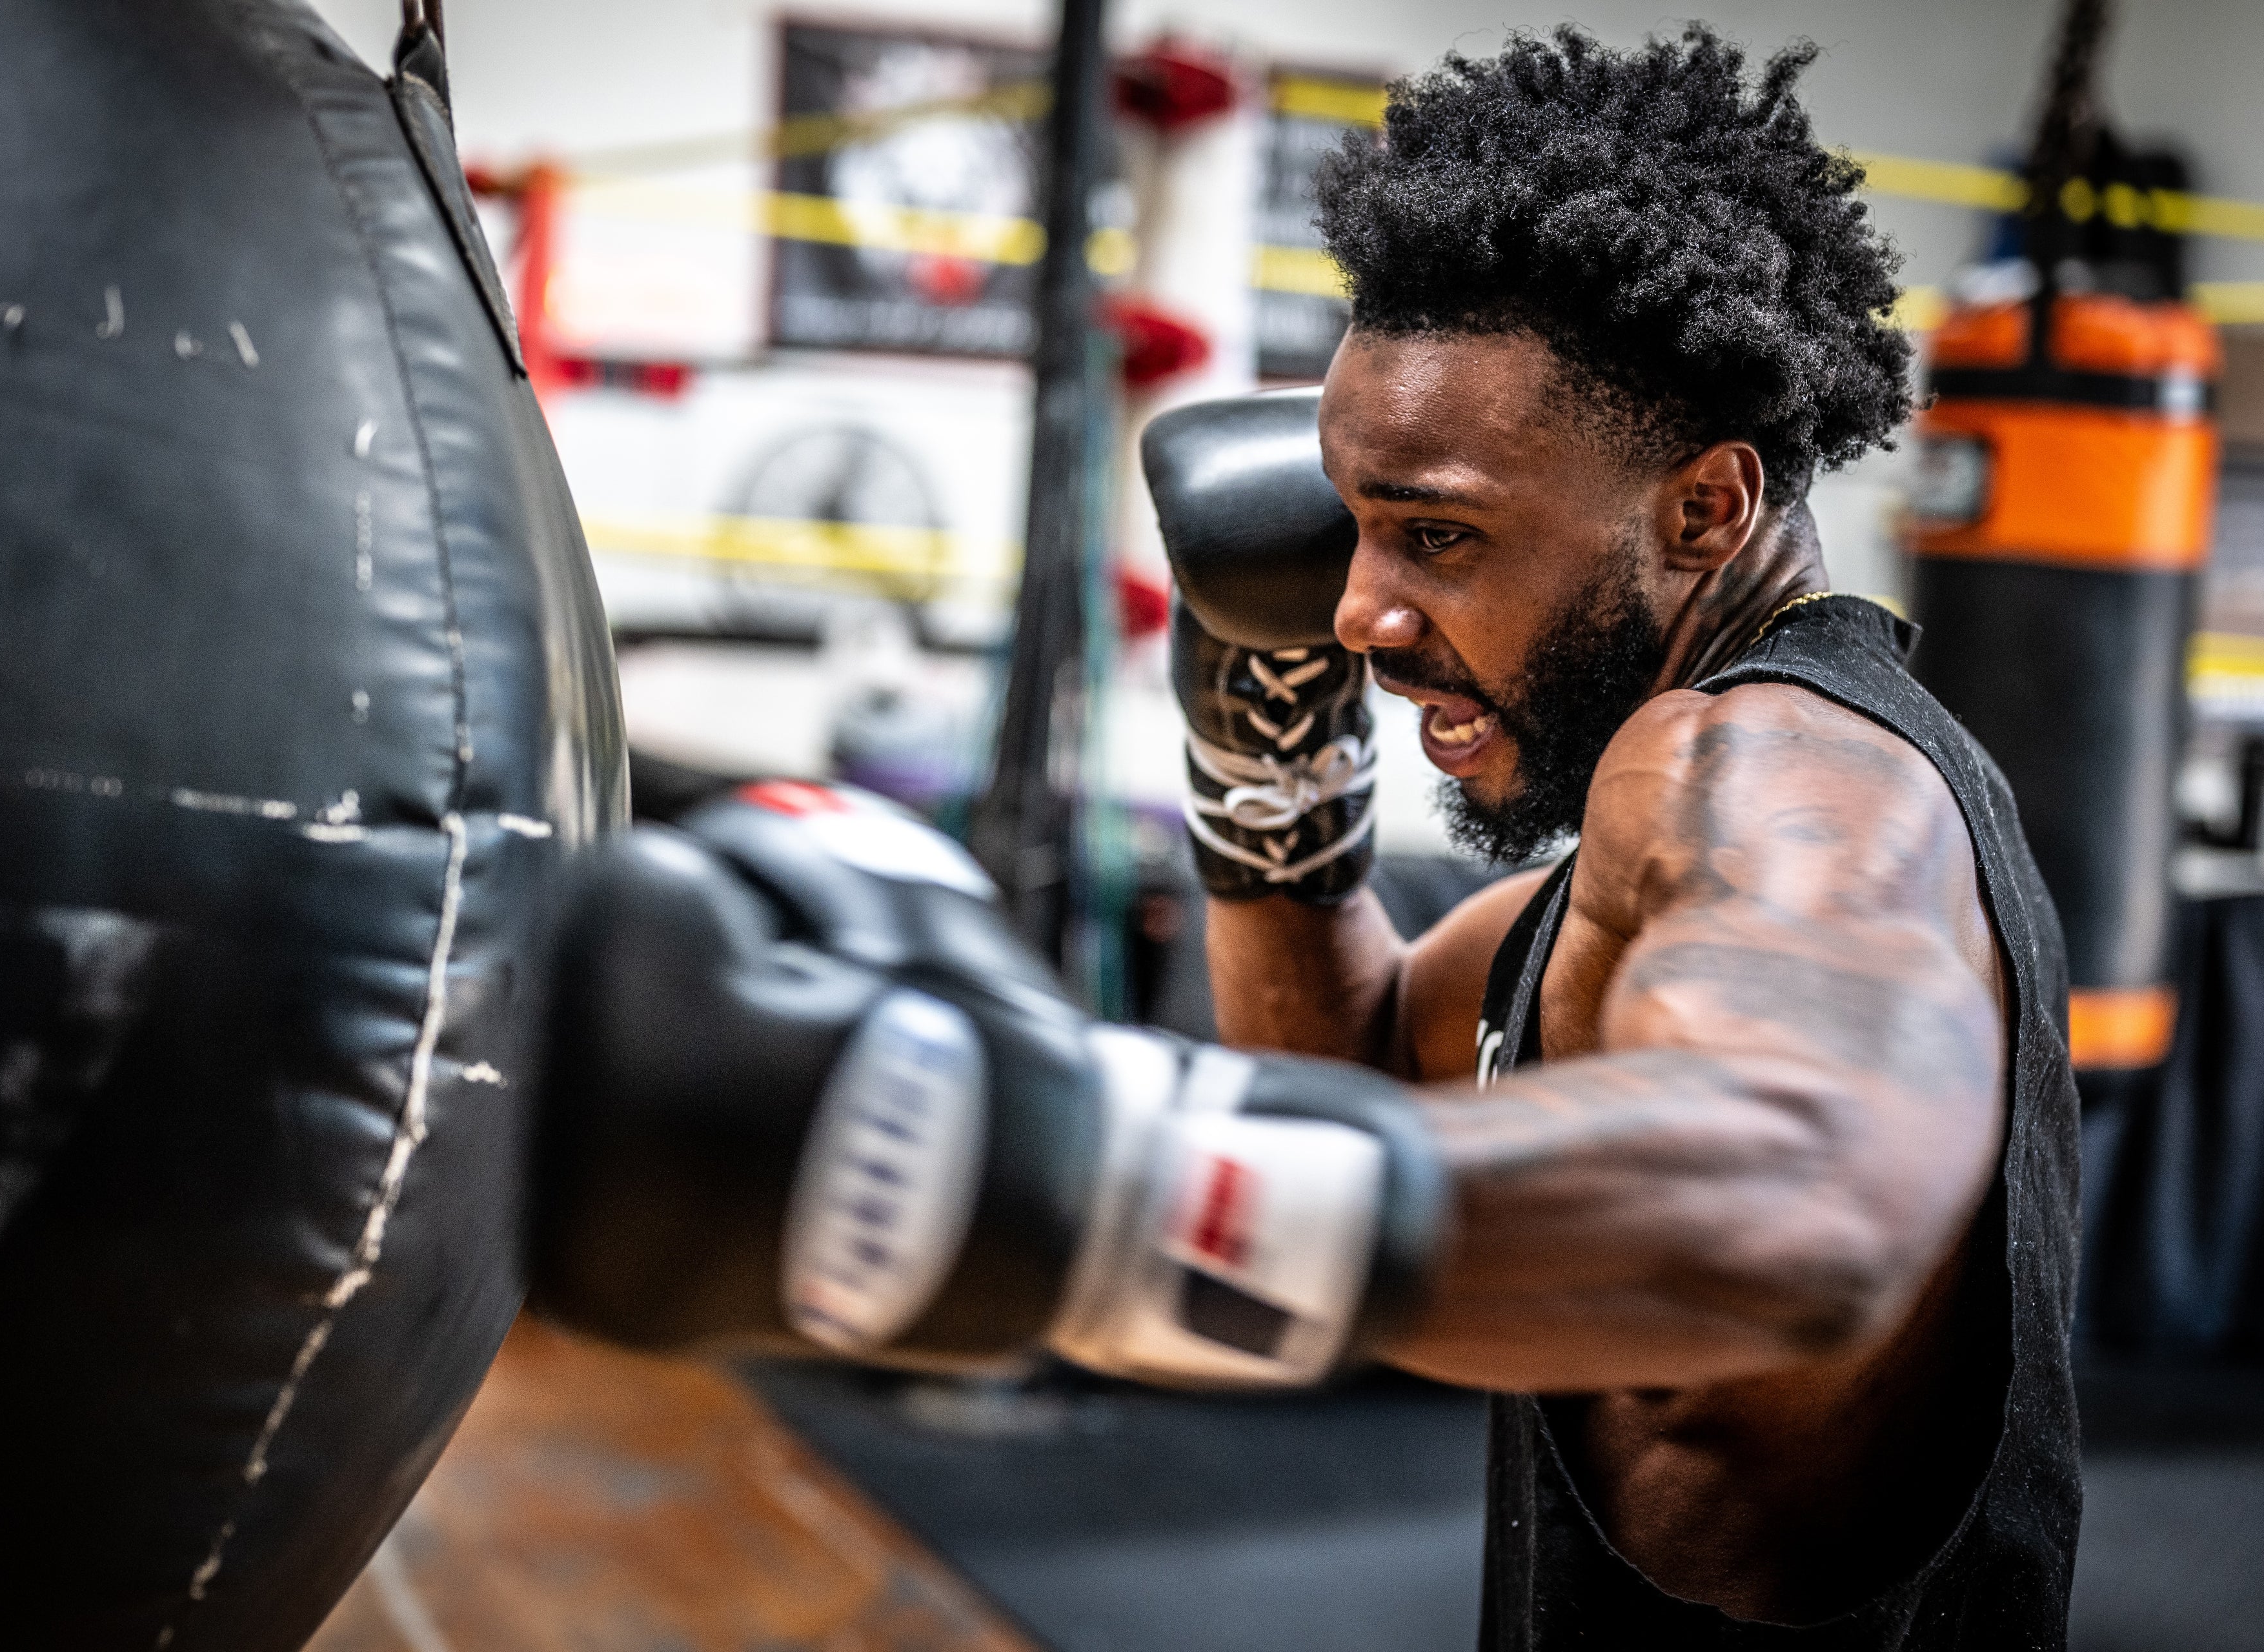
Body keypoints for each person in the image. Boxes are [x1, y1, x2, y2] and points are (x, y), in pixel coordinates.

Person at [534, 25, 2076, 1651]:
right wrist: (1264, 760)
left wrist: (1085, 1176)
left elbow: (1810, 1191)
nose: (1352, 610)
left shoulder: (1772, 768)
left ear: (1702, 509)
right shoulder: (1670, 829)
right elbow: (1347, 1074)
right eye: (1352, 521)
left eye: (1440, 534)